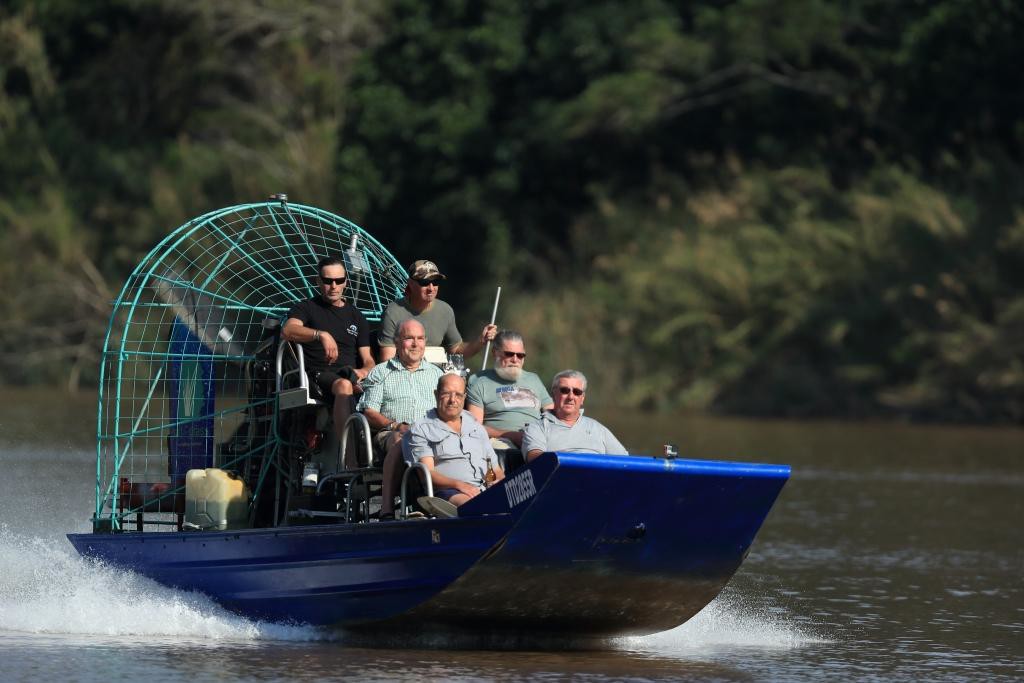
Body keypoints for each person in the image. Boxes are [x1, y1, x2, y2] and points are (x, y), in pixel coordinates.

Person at [283, 255, 374, 464]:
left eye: (339, 281)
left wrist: (364, 371)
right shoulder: (306, 308)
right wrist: (320, 334)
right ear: (318, 282)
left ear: (346, 283)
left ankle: (380, 450)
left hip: (351, 374)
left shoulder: (357, 316)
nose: (333, 286)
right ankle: (350, 459)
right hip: (319, 374)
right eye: (327, 281)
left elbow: (368, 360)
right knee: (343, 385)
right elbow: (288, 330)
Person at [357, 319, 443, 517]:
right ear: (396, 342)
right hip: (390, 432)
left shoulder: (437, 375)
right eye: (409, 338)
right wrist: (395, 425)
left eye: (420, 339)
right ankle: (387, 510)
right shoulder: (381, 372)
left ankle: (443, 503)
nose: (415, 344)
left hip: (430, 433)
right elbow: (369, 411)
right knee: (402, 441)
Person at [405, 374, 504, 509]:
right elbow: (426, 474)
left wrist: (499, 482)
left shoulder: (476, 426)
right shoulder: (421, 429)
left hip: (483, 489)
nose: (453, 400)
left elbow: (496, 469)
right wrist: (460, 485)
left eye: (458, 395)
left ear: (464, 397)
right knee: (475, 507)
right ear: (436, 394)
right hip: (447, 492)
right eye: (446, 394)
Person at [377, 259, 497, 362]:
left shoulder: (445, 310)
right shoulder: (393, 312)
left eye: (436, 282)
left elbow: (456, 351)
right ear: (411, 284)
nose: (431, 288)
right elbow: (387, 359)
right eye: (424, 282)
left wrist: (480, 341)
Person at [466, 330, 552, 470]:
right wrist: (512, 435)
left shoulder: (534, 379)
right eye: (509, 354)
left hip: (537, 439)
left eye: (520, 355)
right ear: (495, 353)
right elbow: (474, 427)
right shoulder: (479, 382)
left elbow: (552, 414)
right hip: (501, 442)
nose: (515, 359)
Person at [522, 370, 627, 462]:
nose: (571, 397)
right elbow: (534, 459)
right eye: (564, 390)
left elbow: (625, 461)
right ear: (553, 394)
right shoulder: (537, 427)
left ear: (582, 398)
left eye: (577, 392)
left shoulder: (597, 428)